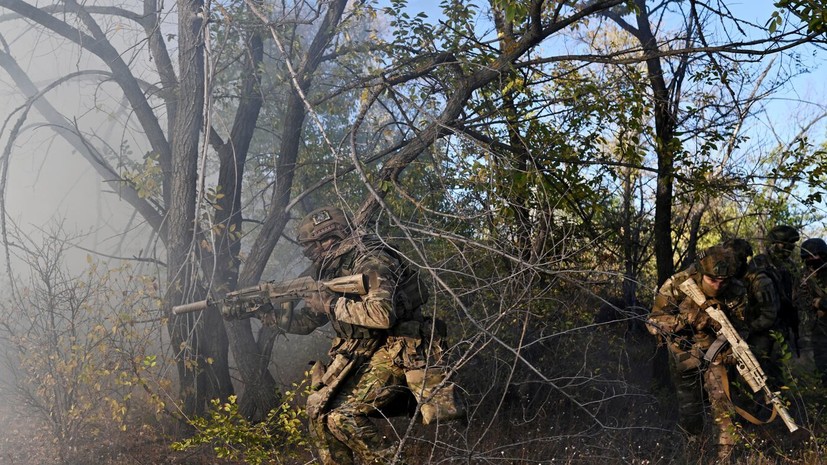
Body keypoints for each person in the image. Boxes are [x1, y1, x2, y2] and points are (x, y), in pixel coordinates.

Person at [254, 206, 437, 465]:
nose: (311, 253)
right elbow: (307, 322)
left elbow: (382, 315)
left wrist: (329, 304)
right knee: (318, 410)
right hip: (363, 353)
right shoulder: (332, 269)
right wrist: (266, 316)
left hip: (398, 348)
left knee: (342, 416)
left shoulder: (372, 259)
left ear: (332, 237)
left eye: (313, 246)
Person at [647, 245, 747, 461]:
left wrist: (732, 349)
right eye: (713, 280)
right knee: (690, 413)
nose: (719, 285)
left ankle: (725, 458)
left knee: (724, 412)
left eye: (724, 281)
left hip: (718, 355)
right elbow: (653, 322)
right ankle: (693, 455)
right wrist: (686, 320)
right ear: (701, 272)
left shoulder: (737, 289)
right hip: (685, 355)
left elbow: (743, 326)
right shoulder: (678, 283)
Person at [723, 238, 781, 385]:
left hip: (760, 335)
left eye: (735, 259)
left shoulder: (760, 281)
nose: (731, 263)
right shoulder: (726, 278)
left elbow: (769, 315)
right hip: (738, 336)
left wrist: (747, 331)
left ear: (743, 260)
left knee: (759, 379)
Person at [750, 225, 801, 359]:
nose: (789, 248)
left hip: (782, 326)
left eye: (792, 244)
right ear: (773, 244)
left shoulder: (790, 266)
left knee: (780, 368)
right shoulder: (760, 262)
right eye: (785, 244)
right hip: (761, 326)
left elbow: (796, 294)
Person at [799, 237, 827, 384]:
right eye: (807, 257)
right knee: (822, 362)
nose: (811, 260)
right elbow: (800, 300)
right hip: (818, 328)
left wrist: (822, 302)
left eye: (814, 256)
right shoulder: (804, 276)